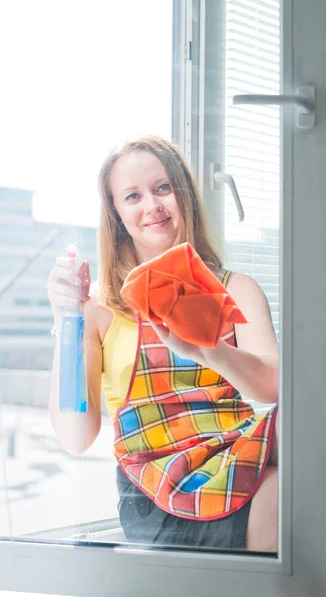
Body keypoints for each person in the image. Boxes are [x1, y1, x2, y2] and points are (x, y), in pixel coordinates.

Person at [48, 135, 279, 552]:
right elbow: (75, 437)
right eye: (132, 196)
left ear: (184, 194)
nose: (151, 205)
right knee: (284, 494)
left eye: (162, 188)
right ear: (116, 213)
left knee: (297, 453)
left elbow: (274, 386)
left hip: (239, 455)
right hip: (155, 487)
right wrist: (67, 320)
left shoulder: (237, 289)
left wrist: (209, 349)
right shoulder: (99, 308)